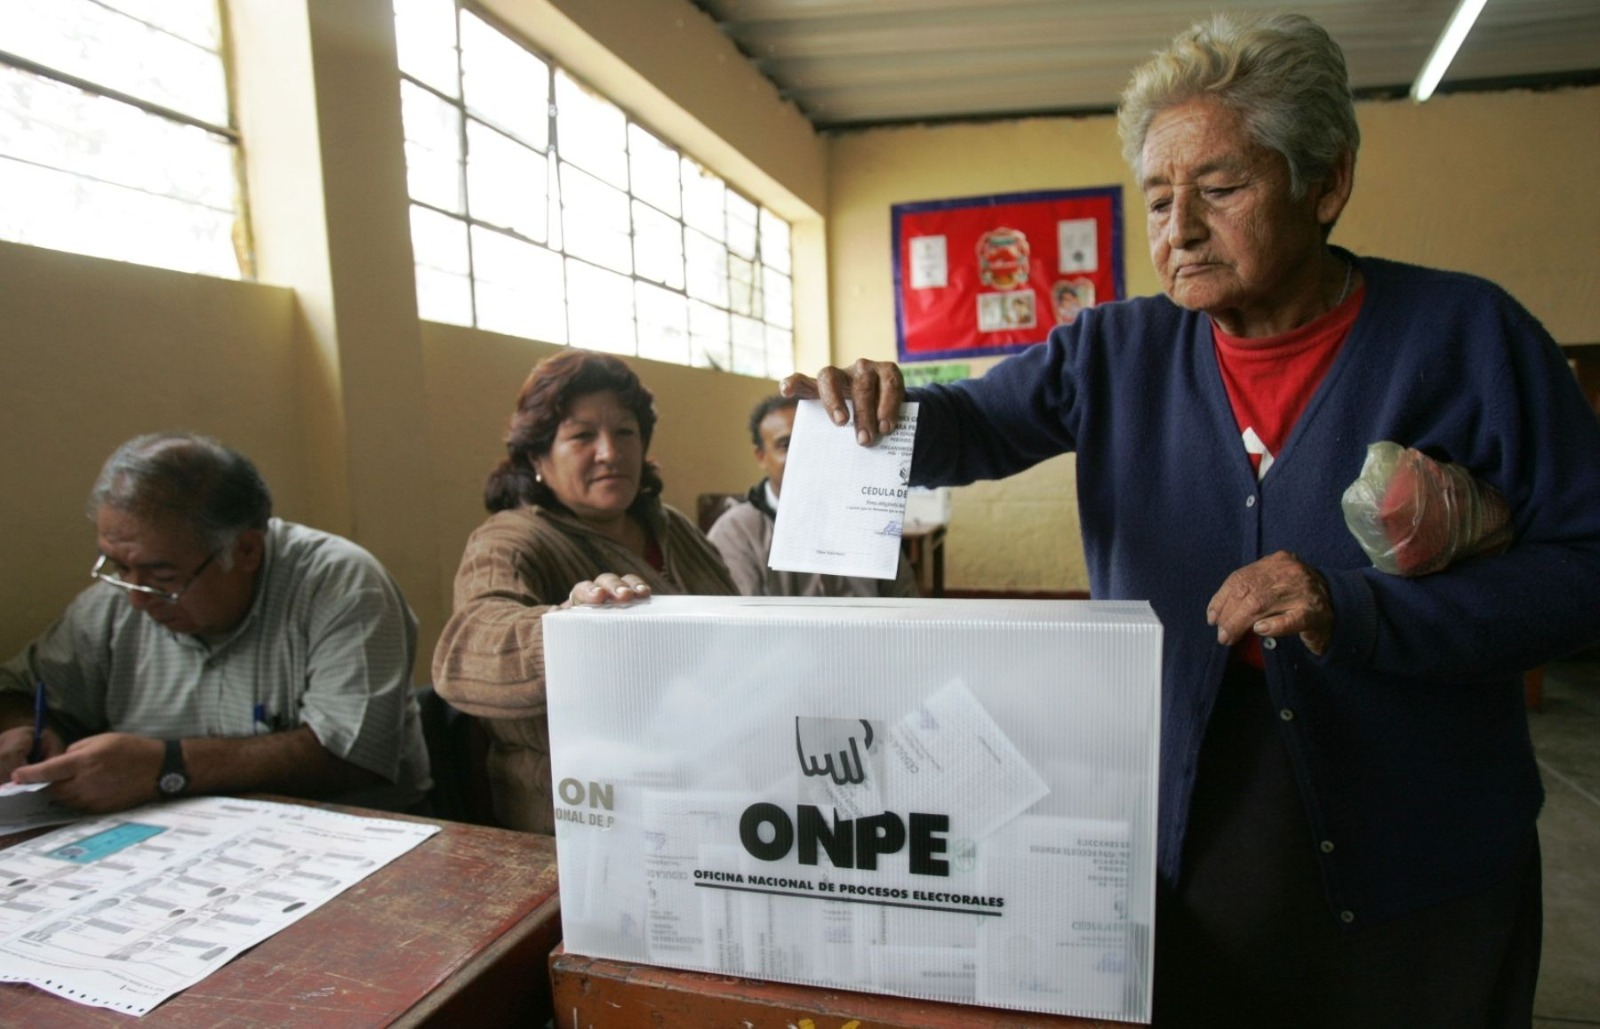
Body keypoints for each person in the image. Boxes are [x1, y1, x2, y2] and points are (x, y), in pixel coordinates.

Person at [784, 12, 1600, 1027]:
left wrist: (1357, 608)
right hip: (1194, 812)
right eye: (1159, 198)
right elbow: (972, 425)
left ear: (1326, 183)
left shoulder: (1467, 337)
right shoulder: (1112, 351)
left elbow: (1584, 566)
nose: (1180, 229)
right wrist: (882, 405)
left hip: (1422, 837)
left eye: (1220, 189)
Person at [0, 433, 430, 814]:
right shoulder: (115, 602)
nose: (135, 597)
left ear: (246, 551)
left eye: (163, 576)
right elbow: (19, 690)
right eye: (118, 566)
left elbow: (351, 757)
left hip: (350, 838)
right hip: (168, 841)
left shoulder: (340, 584)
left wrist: (165, 766)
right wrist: (25, 730)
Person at [432, 349, 736, 833]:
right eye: (581, 436)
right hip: (584, 823)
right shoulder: (511, 539)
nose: (610, 453)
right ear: (537, 456)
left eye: (625, 432)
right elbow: (468, 649)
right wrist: (571, 626)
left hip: (713, 790)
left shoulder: (672, 527)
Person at [707, 395, 918, 598]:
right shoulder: (735, 533)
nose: (803, 453)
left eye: (813, 441)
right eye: (786, 444)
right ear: (761, 457)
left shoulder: (866, 520)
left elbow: (906, 603)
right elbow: (739, 617)